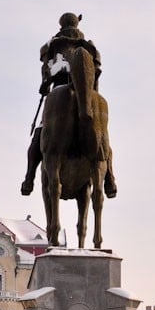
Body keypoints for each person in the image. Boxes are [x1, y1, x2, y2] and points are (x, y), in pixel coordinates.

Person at [21, 12, 117, 199]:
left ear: (61, 25)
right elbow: (96, 74)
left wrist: (44, 86)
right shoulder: (90, 47)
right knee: (103, 138)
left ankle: (29, 177)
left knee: (39, 135)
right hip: (88, 94)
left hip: (59, 90)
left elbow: (46, 74)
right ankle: (110, 179)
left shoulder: (53, 44)